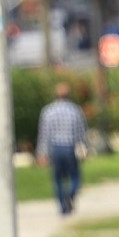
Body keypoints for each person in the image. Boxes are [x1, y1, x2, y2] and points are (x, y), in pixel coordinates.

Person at [36, 81, 89, 215]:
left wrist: (42, 153)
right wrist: (84, 147)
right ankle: (70, 196)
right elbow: (80, 132)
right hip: (70, 147)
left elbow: (44, 134)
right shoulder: (75, 110)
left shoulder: (48, 111)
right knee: (75, 176)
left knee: (58, 179)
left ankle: (62, 206)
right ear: (69, 95)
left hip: (55, 148)